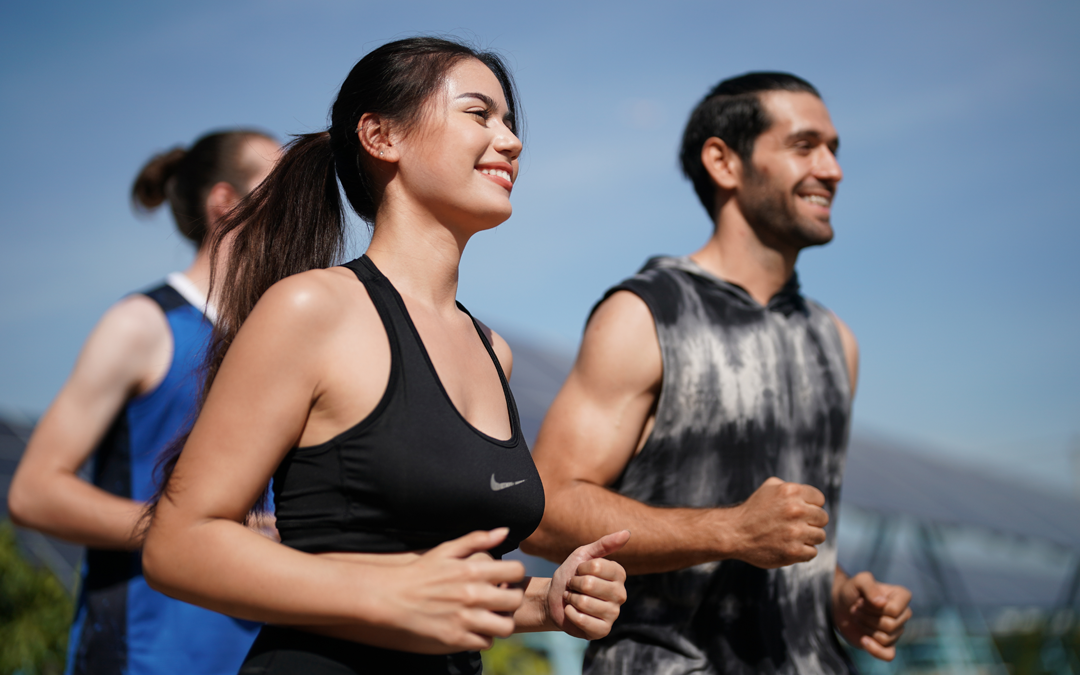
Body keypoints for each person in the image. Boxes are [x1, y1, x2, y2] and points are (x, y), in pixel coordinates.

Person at [140, 37, 629, 675]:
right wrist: (382, 593)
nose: (510, 141)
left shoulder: (491, 351)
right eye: (479, 115)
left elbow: (442, 588)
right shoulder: (313, 309)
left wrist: (544, 598)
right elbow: (177, 545)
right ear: (380, 136)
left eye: (510, 123)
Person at [522, 72, 913, 674]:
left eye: (834, 150)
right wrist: (730, 531)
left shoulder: (837, 341)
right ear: (723, 162)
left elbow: (781, 533)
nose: (832, 169)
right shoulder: (644, 314)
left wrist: (837, 595)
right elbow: (545, 510)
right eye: (804, 146)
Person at [7, 129, 281, 674]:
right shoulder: (143, 325)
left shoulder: (275, 336)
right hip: (144, 654)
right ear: (224, 203)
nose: (302, 203)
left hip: (256, 656)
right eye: (280, 187)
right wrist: (196, 528)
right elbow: (35, 493)